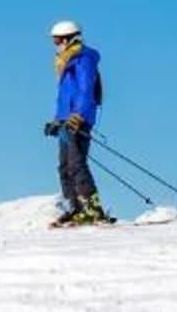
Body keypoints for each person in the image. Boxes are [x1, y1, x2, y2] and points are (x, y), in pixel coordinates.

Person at [43, 19, 111, 228]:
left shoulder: (83, 59)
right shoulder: (66, 61)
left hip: (78, 119)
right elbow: (65, 97)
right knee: (64, 166)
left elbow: (85, 90)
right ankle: (75, 208)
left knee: (76, 164)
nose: (56, 45)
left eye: (57, 40)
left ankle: (92, 210)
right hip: (67, 120)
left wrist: (78, 115)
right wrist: (57, 120)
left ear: (69, 39)